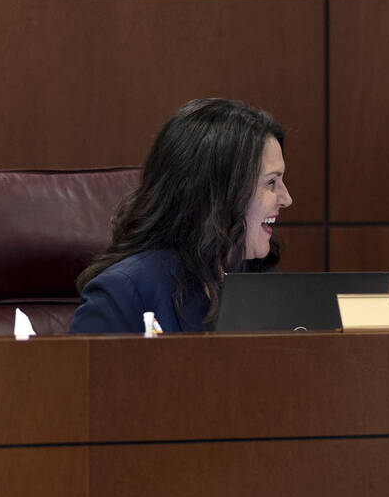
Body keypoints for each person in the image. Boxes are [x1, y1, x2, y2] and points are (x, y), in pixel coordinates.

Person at [70, 97, 291, 334]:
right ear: (215, 193)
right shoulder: (121, 293)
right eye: (270, 182)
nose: (287, 199)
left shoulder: (255, 278)